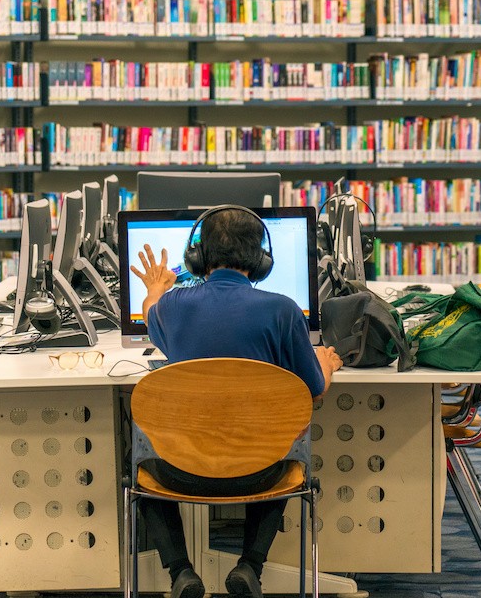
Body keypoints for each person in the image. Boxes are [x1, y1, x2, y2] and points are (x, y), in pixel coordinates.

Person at [130, 206, 342, 598]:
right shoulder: (283, 310)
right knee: (285, 441)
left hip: (179, 471)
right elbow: (312, 390)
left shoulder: (172, 307)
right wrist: (326, 363)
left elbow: (149, 313)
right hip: (260, 473)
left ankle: (180, 572)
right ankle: (249, 566)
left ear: (197, 258)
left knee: (140, 454)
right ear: (262, 260)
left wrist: (156, 287)